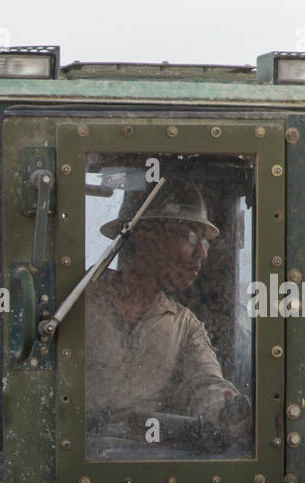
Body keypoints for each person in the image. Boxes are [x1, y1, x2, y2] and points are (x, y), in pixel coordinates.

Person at [85, 178, 250, 455]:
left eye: (206, 242)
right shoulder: (79, 301)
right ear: (147, 234)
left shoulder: (185, 326)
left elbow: (206, 385)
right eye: (191, 237)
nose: (202, 253)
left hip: (144, 461)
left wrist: (229, 410)